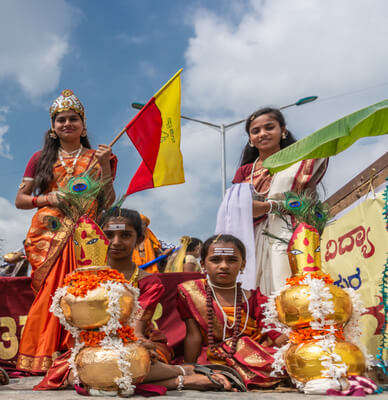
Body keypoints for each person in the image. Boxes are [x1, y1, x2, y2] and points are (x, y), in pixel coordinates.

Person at [35, 208, 236, 391]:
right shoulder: (87, 278)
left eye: (125, 235)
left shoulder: (149, 282)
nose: (115, 242)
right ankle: (182, 377)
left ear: (139, 239)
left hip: (138, 342)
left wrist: (138, 344)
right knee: (76, 374)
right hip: (94, 344)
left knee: (123, 364)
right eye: (109, 235)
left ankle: (176, 374)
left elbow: (137, 329)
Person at [15, 89, 116, 373]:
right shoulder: (40, 158)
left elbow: (107, 201)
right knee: (51, 292)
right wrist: (48, 198)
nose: (67, 124)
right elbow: (20, 201)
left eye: (73, 119)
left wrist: (106, 166)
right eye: (61, 120)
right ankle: (44, 355)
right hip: (49, 236)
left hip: (86, 235)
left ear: (83, 125)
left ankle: (86, 353)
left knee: (86, 292)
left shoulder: (98, 157)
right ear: (53, 127)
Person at [232, 107, 327, 295]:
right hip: (249, 237)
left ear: (283, 130)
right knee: (252, 293)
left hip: (287, 232)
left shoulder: (299, 161)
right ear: (250, 139)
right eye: (255, 131)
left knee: (286, 283)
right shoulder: (245, 172)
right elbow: (233, 206)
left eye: (269, 127)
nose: (262, 134)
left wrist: (269, 206)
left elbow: (306, 202)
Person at [177, 234, 286, 388]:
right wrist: (189, 368)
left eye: (232, 260)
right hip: (212, 358)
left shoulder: (255, 299)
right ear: (203, 264)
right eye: (215, 260)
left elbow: (272, 332)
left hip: (253, 357)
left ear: (243, 264)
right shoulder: (190, 292)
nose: (224, 266)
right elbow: (193, 335)